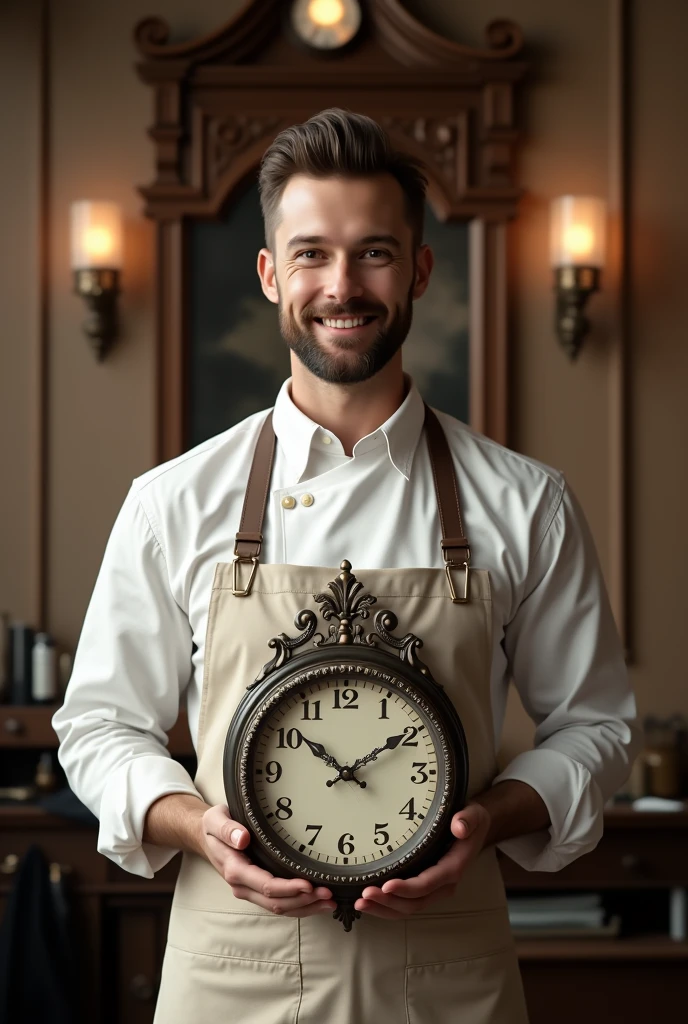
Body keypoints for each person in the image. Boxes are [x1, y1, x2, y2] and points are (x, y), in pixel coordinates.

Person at [53, 108, 639, 1023]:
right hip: (229, 972)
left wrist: (490, 819)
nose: (342, 284)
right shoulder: (172, 501)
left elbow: (597, 726)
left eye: (373, 251)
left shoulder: (526, 501)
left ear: (419, 268)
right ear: (269, 273)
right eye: (312, 253)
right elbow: (98, 728)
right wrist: (198, 828)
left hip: (448, 969)